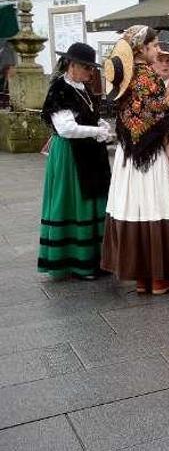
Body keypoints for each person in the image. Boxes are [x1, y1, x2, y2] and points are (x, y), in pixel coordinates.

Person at [102, 26, 169, 294]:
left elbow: (130, 121)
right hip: (152, 157)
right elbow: (161, 124)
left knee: (134, 207)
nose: (158, 50)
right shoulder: (149, 79)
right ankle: (158, 278)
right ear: (141, 49)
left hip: (128, 157)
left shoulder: (123, 79)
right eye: (154, 45)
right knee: (157, 206)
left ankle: (143, 279)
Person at [38, 42, 111, 280]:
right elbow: (66, 128)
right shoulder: (59, 88)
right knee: (75, 203)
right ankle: (78, 263)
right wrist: (95, 131)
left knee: (93, 202)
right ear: (71, 64)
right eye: (86, 67)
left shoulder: (82, 86)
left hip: (90, 154)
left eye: (91, 68)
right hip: (70, 155)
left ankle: (96, 259)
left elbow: (87, 116)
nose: (90, 73)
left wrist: (100, 124)